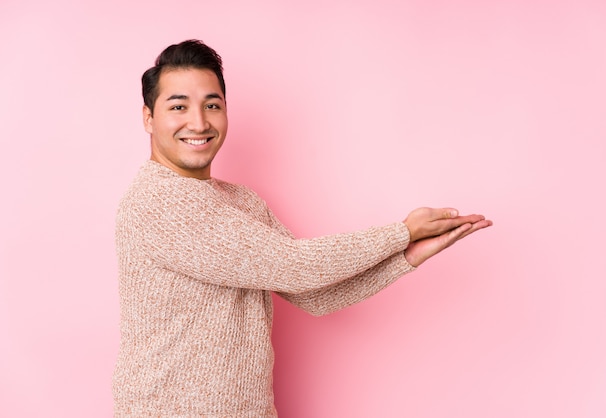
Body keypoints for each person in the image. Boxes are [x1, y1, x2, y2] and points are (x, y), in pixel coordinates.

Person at [112, 39, 492, 417]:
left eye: (212, 105)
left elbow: (312, 294)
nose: (199, 122)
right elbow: (297, 266)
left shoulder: (241, 201)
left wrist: (406, 256)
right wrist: (401, 233)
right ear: (148, 117)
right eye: (178, 106)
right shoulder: (155, 201)